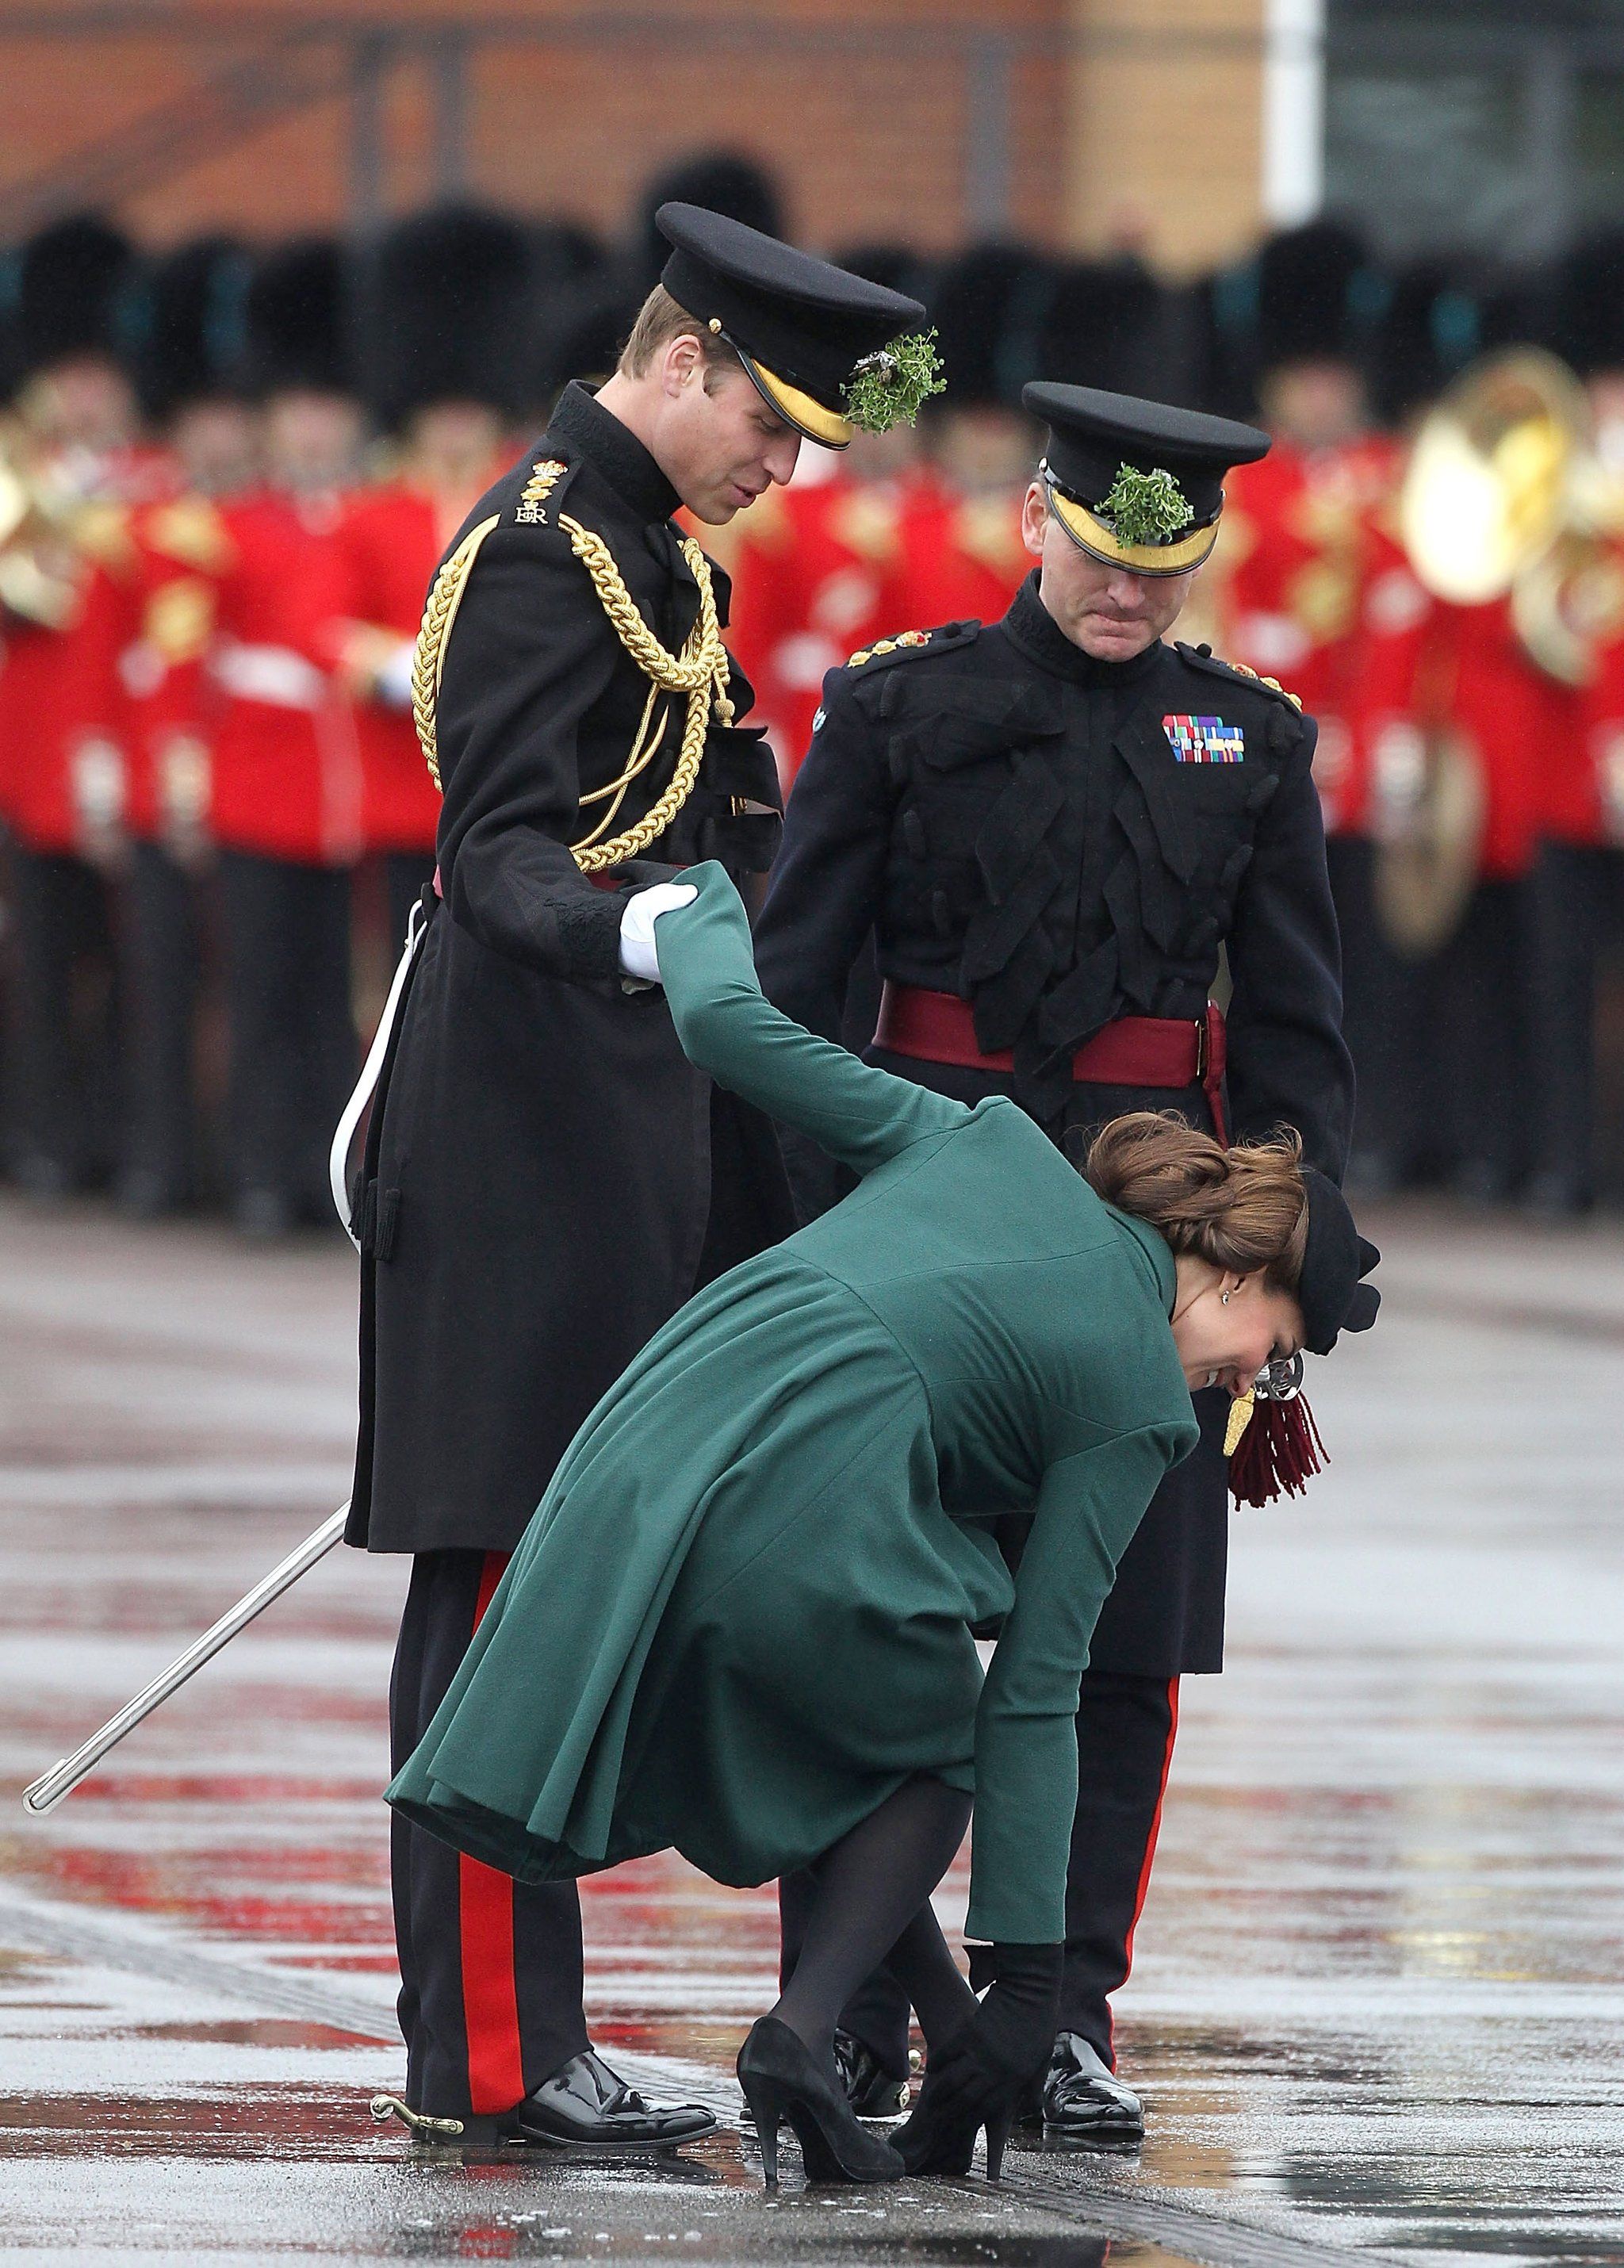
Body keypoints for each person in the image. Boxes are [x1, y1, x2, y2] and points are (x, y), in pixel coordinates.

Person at [386, 859, 1379, 2188]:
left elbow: (731, 1034)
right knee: (937, 1740)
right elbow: (1037, 1693)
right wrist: (1028, 1981)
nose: (1250, 1383)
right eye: (1272, 1349)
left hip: (667, 1419)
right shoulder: (1135, 1400)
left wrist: (698, 914)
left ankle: (890, 2036)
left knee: (860, 1744)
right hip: (817, 1465)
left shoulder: (987, 1142)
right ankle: (797, 2033)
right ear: (1238, 1277)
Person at [347, 203, 940, 2152]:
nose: (782, 468)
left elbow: (707, 816)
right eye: (766, 422)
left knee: (655, 1553)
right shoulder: (538, 550)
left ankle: (753, 2007)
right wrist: (633, 942)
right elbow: (499, 842)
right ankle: (496, 2055)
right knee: (515, 1562)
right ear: (679, 360)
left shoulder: (640, 551)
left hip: (642, 1112)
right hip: (526, 1108)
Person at [752, 381, 1357, 2144]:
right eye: (1102, 556)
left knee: (1116, 1641)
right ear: (1034, 520)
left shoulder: (1248, 738)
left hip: (1148, 1235)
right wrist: (811, 1221)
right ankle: (862, 1999)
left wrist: (1300, 1242)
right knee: (883, 1615)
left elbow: (1300, 1024)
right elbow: (802, 988)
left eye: (1163, 569)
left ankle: (1065, 1997)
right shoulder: (898, 703)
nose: (1128, 595)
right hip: (925, 1202)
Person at [207, 239, 366, 1237]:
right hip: (259, 788)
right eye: (299, 407)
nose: (314, 424)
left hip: (339, 793)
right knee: (261, 995)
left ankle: (320, 1175)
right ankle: (260, 1172)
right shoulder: (233, 526)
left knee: (327, 1001)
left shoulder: (362, 517)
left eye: (328, 407)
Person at [339, 206, 527, 946]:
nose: (454, 426)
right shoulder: (370, 512)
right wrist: (396, 664)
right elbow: (333, 627)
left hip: (509, 792)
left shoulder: (530, 502)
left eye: (468, 409)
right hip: (400, 785)